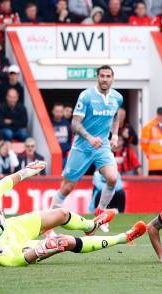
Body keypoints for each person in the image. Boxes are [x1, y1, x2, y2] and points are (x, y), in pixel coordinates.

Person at [0, 161, 146, 266]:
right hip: (14, 244)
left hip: (14, 228)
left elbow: (5, 183)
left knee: (61, 213)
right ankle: (125, 237)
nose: (3, 212)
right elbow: (14, 261)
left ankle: (91, 225)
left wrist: (28, 170)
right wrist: (42, 249)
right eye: (1, 213)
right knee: (65, 241)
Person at [50, 66, 122, 233]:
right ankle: (49, 223)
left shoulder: (117, 98)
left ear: (112, 78)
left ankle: (101, 213)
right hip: (82, 146)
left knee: (112, 178)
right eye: (102, 76)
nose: (105, 79)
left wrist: (115, 135)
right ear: (97, 78)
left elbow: (116, 116)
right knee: (67, 187)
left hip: (102, 146)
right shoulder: (86, 96)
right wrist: (90, 138)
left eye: (108, 76)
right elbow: (75, 123)